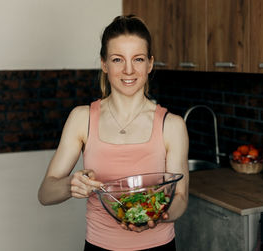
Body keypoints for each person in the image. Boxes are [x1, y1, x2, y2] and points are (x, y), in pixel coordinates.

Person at [38, 15, 189, 251]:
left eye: (138, 59)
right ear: (104, 64)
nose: (128, 70)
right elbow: (45, 193)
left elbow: (180, 199)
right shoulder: (82, 118)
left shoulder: (172, 125)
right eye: (118, 59)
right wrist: (72, 184)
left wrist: (155, 215)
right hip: (99, 246)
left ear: (150, 64)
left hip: (158, 246)